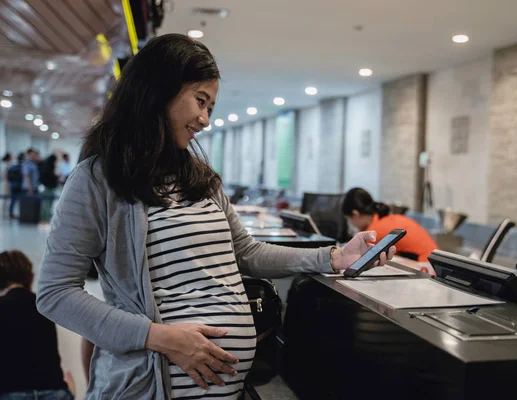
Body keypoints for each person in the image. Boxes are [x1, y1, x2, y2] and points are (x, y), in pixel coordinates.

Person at [36, 34, 395, 400]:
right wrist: (160, 337)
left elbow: (248, 253)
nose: (205, 120)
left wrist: (333, 257)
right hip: (148, 388)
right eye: (200, 101)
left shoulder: (199, 177)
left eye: (211, 107)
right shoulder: (97, 180)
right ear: (159, 90)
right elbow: (55, 293)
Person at [0, 250, 75, 400]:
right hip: (54, 394)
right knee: (69, 378)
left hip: (10, 394)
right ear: (29, 276)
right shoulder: (43, 306)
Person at [342, 188, 438, 262]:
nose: (351, 224)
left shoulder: (374, 232)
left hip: (425, 268)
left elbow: (355, 256)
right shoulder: (386, 219)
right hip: (432, 263)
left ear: (355, 214)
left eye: (348, 219)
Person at [39, 155, 59, 223]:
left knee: (47, 204)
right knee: (47, 204)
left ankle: (45, 219)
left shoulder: (46, 167)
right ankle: (45, 219)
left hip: (48, 187)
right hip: (49, 188)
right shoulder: (49, 169)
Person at [7, 153, 24, 219]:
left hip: (12, 185)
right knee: (20, 201)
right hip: (19, 185)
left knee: (12, 201)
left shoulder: (12, 167)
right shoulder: (22, 167)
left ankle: (11, 214)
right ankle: (21, 214)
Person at [1, 153, 12, 218]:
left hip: (4, 182)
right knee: (4, 199)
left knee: (5, 199)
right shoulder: (5, 164)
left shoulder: (3, 164)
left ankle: (4, 213)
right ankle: (3, 214)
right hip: (5, 182)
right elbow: (5, 174)